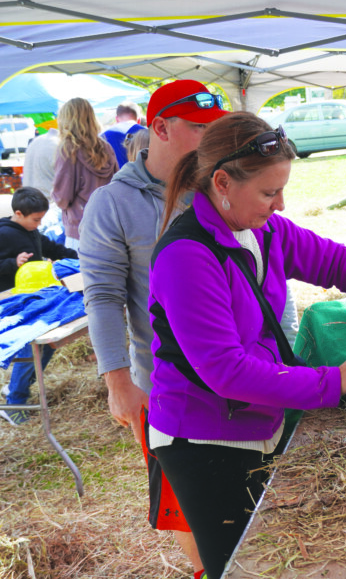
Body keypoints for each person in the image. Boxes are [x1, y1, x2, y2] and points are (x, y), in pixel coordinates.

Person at [147, 112, 346, 578]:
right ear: (222, 182)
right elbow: (226, 372)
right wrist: (332, 381)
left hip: (259, 416)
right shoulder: (186, 256)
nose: (280, 204)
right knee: (242, 564)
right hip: (202, 435)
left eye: (282, 189)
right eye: (268, 192)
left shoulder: (262, 230)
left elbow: (338, 262)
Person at [79, 79, 229, 579]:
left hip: (244, 370)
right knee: (185, 501)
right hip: (169, 384)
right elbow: (102, 296)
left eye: (217, 128)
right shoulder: (112, 203)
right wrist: (118, 382)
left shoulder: (223, 184)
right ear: (160, 128)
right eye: (199, 129)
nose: (212, 140)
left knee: (245, 488)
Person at [0, 187, 77, 425]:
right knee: (31, 350)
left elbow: (51, 247)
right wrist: (12, 263)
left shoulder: (31, 231)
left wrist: (78, 257)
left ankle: (18, 388)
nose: (39, 223)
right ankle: (15, 402)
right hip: (13, 302)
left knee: (48, 346)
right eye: (36, 219)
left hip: (38, 299)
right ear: (19, 213)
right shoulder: (4, 234)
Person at [52, 97, 119, 250]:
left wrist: (54, 194)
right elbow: (117, 184)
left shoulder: (68, 149)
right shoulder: (105, 146)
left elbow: (62, 197)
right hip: (108, 224)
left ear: (66, 119)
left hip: (79, 227)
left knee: (80, 273)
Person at [102, 101, 147, 168]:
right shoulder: (149, 134)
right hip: (142, 177)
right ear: (139, 120)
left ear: (117, 119)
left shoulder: (102, 137)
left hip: (113, 177)